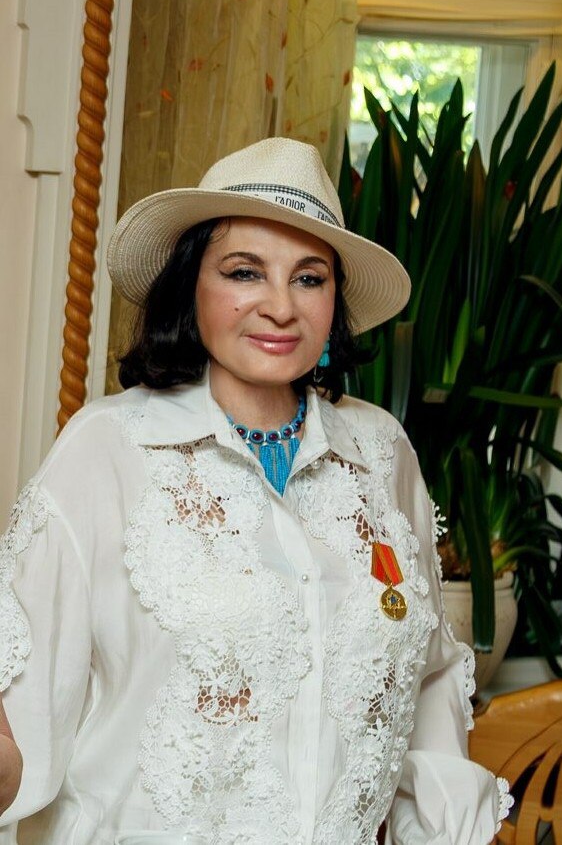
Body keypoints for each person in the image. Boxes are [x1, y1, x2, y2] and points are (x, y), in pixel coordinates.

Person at [0, 138, 511, 844]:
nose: (280, 307)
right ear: (191, 285)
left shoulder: (380, 450)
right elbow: (22, 711)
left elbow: (428, 677)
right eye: (244, 272)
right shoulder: (107, 449)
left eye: (308, 278)